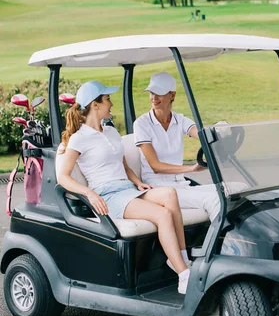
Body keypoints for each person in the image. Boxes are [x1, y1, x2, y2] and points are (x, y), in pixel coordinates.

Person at [57, 80, 191, 294]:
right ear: (95, 105)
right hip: (108, 197)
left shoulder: (110, 132)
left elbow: (123, 164)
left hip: (128, 189)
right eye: (107, 99)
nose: (111, 103)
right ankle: (184, 274)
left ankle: (181, 258)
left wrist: (137, 181)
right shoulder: (78, 139)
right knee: (163, 215)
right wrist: (89, 194)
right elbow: (63, 177)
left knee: (170, 195)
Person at [133, 72, 221, 222]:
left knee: (233, 188)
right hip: (159, 188)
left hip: (181, 184)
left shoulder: (180, 120)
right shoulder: (142, 124)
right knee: (213, 200)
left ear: (172, 95)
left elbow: (200, 134)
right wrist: (190, 169)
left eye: (159, 93)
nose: (154, 97)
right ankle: (221, 243)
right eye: (151, 93)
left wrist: (219, 133)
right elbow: (156, 166)